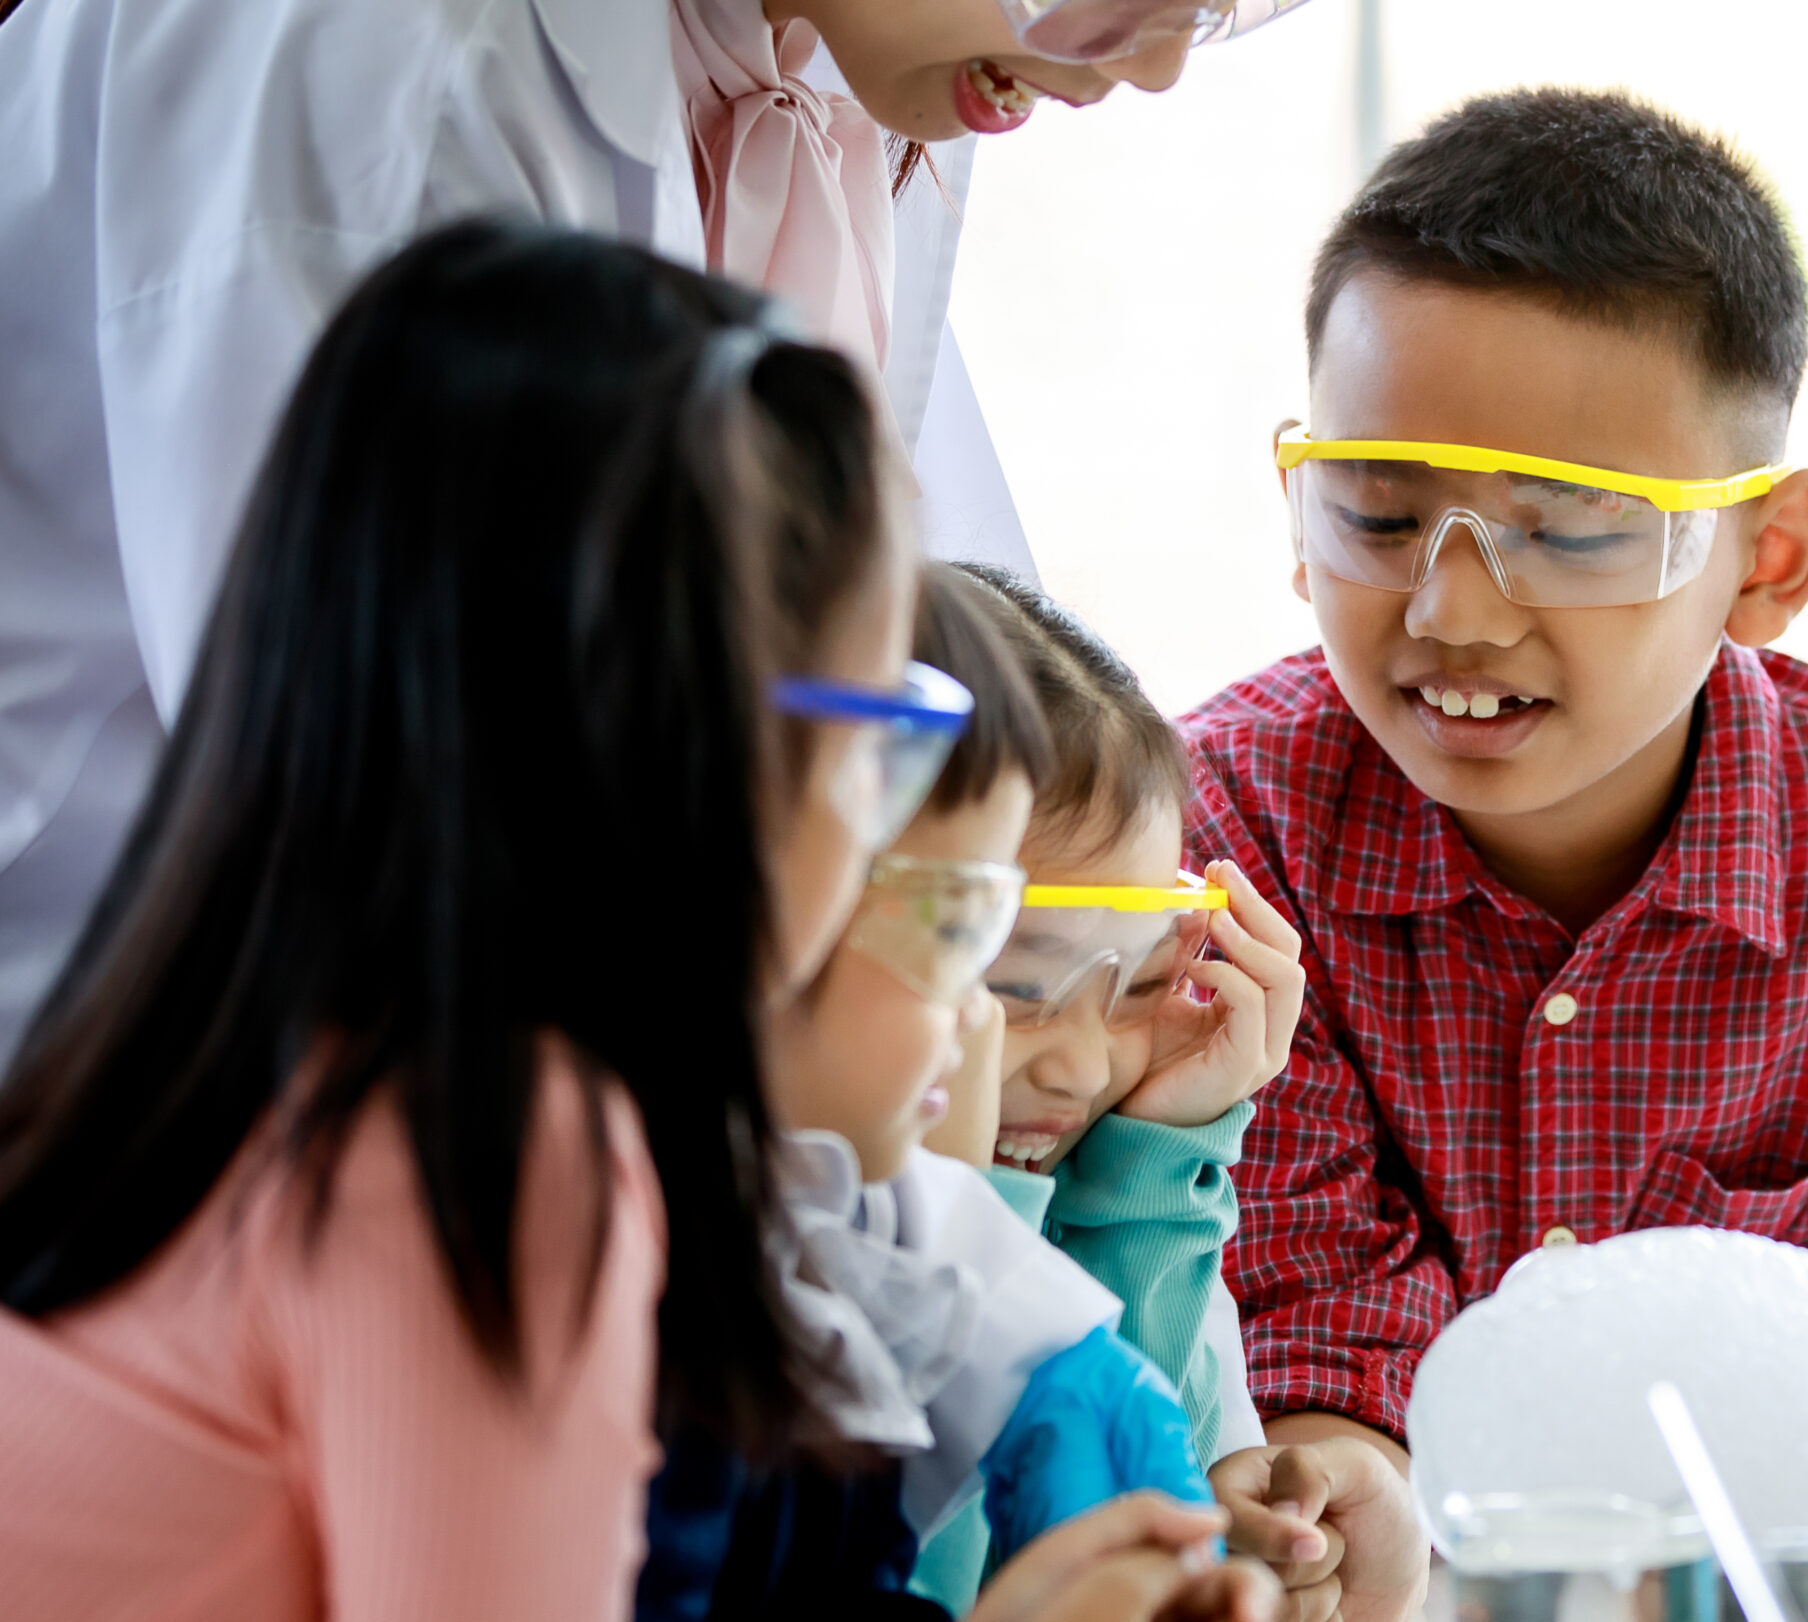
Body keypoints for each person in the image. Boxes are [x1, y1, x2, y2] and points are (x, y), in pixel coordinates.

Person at [0, 220, 1293, 1622]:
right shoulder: (483, 1139)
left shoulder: (286, 1038)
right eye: (879, 736)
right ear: (674, 743)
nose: (883, 820)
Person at [0, 0, 1309, 1066]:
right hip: (137, 1060)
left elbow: (943, 683)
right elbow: (417, 854)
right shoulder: (371, 60)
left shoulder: (840, 77)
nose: (1156, 64)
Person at [1184, 86, 1808, 1622]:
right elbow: (1314, 1318)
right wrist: (1338, 1500)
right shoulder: (1226, 815)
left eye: (1574, 533)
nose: (1453, 612)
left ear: (1769, 558)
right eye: (1377, 513)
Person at [634, 561, 1225, 1622]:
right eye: (966, 944)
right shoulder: (619, 1303)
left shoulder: (833, 1207)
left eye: (1141, 977)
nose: (977, 1024)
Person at [927, 569, 1424, 1622]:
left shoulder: (1107, 1169)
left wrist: (1153, 1165)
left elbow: (1144, 1553)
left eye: (1141, 982)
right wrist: (968, 1208)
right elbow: (949, 1619)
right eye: (1017, 987)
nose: (1079, 1065)